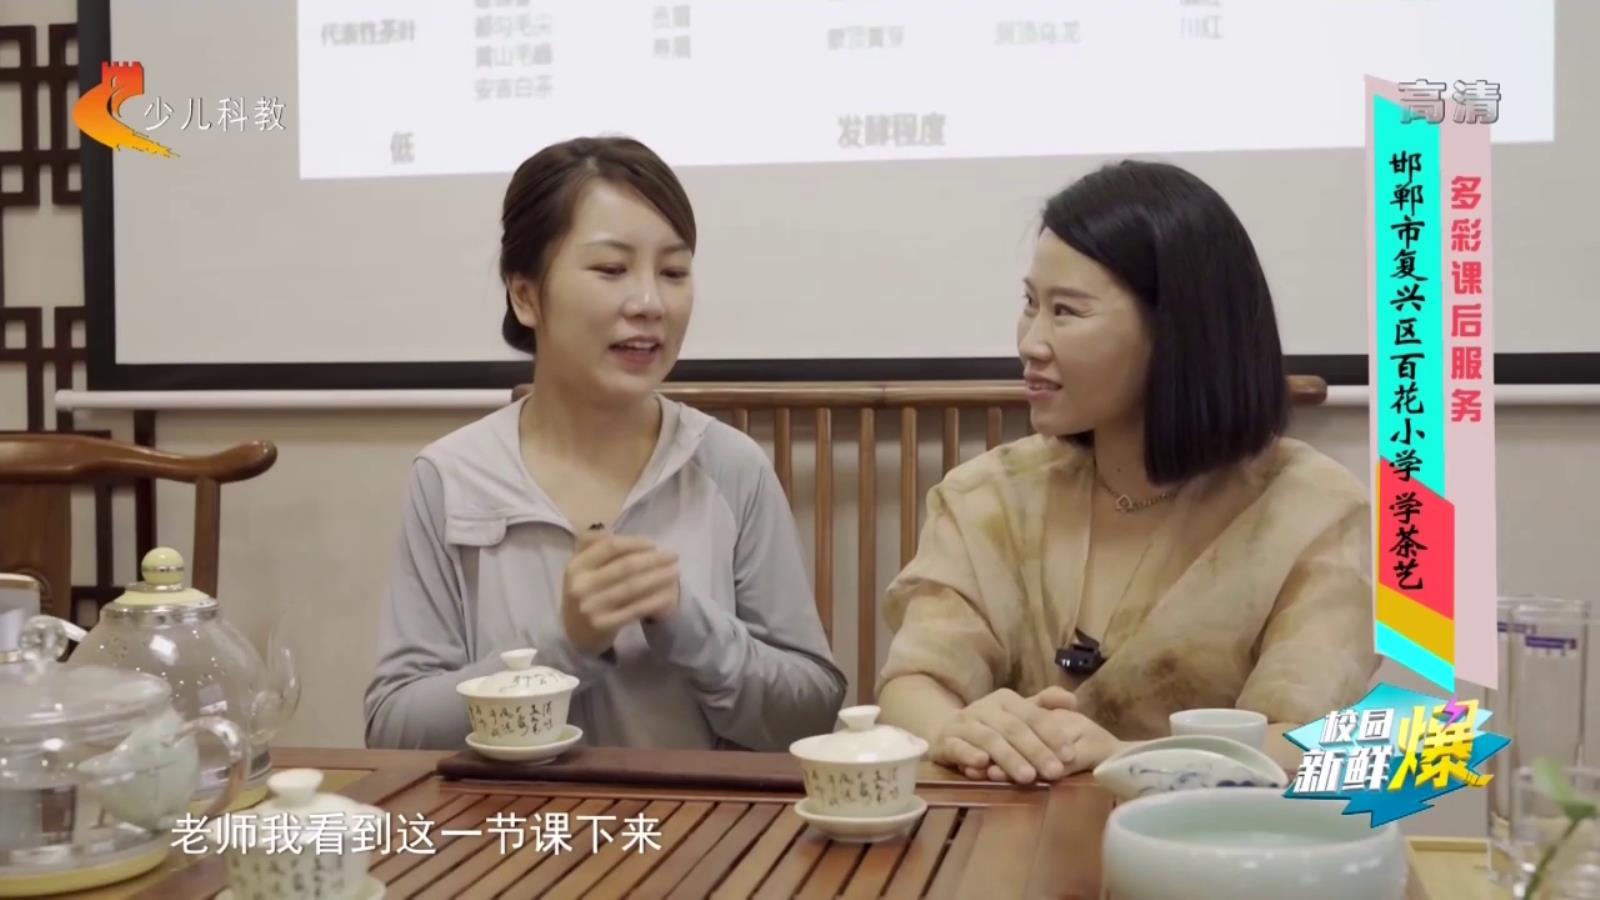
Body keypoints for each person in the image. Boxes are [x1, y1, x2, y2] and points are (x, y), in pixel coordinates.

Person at [875, 160, 1377, 784]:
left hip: (1218, 840)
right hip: (1014, 837)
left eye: (1066, 311)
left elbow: (1310, 742)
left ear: (1177, 331)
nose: (1030, 341)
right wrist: (961, 729)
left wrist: (1130, 761)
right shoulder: (989, 495)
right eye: (1030, 304)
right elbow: (913, 684)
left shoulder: (1312, 510)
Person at [365, 136, 847, 751]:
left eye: (673, 272)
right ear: (526, 295)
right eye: (611, 270)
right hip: (506, 815)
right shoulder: (451, 478)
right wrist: (562, 649)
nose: (649, 303)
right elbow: (395, 731)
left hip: (692, 815)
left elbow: (811, 714)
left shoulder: (731, 468)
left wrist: (690, 626)